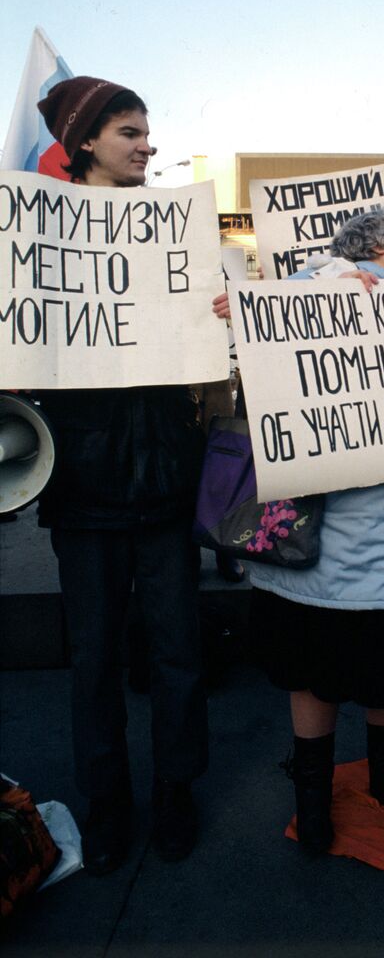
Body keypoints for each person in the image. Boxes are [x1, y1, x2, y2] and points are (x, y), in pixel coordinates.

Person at [34, 76, 208, 872]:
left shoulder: (176, 228)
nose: (148, 146)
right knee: (95, 660)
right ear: (86, 140)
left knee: (177, 653)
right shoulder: (37, 237)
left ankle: (177, 793)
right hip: (82, 486)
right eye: (131, 132)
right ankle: (107, 806)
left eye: (147, 132)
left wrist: (220, 318)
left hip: (167, 481)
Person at [245, 207, 384, 854]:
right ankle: (313, 795)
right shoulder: (316, 287)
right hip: (331, 540)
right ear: (370, 246)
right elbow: (262, 343)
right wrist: (332, 293)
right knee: (315, 669)